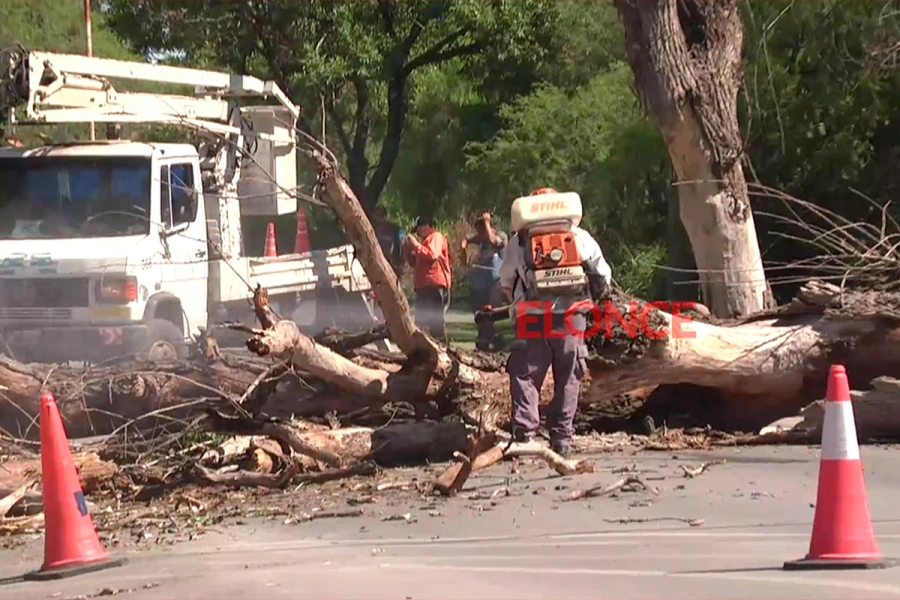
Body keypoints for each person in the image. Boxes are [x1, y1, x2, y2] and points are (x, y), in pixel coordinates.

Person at [498, 187, 612, 458]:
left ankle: (525, 433)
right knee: (569, 374)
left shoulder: (519, 241)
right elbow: (603, 276)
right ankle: (561, 438)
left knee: (525, 373)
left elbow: (506, 280)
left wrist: (516, 301)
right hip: (571, 316)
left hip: (531, 315)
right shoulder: (579, 236)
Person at [462, 212, 508, 351]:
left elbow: (494, 241)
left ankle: (497, 339)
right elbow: (467, 238)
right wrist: (463, 248)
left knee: (494, 311)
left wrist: (487, 222)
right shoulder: (481, 238)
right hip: (482, 282)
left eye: (481, 230)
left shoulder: (501, 236)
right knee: (480, 310)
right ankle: (483, 338)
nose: (479, 234)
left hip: (496, 280)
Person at [404, 215, 452, 341]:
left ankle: (441, 346)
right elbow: (414, 263)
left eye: (418, 229)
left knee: (436, 322)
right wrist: (408, 250)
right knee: (421, 321)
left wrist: (415, 244)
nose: (418, 233)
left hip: (435, 285)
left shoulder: (436, 237)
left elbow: (432, 255)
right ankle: (424, 346)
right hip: (423, 286)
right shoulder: (424, 243)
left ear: (426, 226)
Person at [372, 206, 406, 278]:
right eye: (377, 215)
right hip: (377, 264)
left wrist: (400, 265)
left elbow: (403, 246)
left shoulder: (395, 229)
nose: (379, 219)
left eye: (380, 215)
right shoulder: (372, 230)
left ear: (385, 216)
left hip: (393, 266)